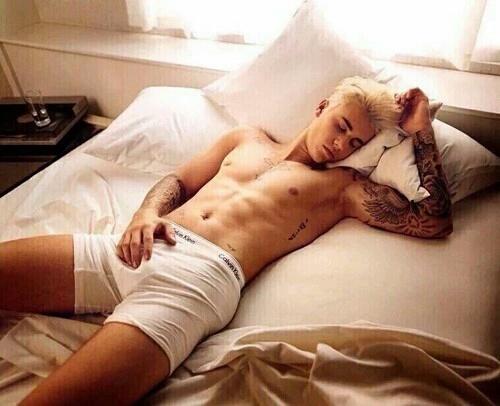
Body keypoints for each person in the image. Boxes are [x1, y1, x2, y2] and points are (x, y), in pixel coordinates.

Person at [0, 76, 452, 405]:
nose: (342, 144)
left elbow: (432, 221)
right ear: (321, 108)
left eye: (355, 142)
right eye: (341, 126)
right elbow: (180, 180)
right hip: (140, 244)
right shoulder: (246, 139)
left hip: (196, 283)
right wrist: (145, 213)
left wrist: (421, 131)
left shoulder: (341, 187)